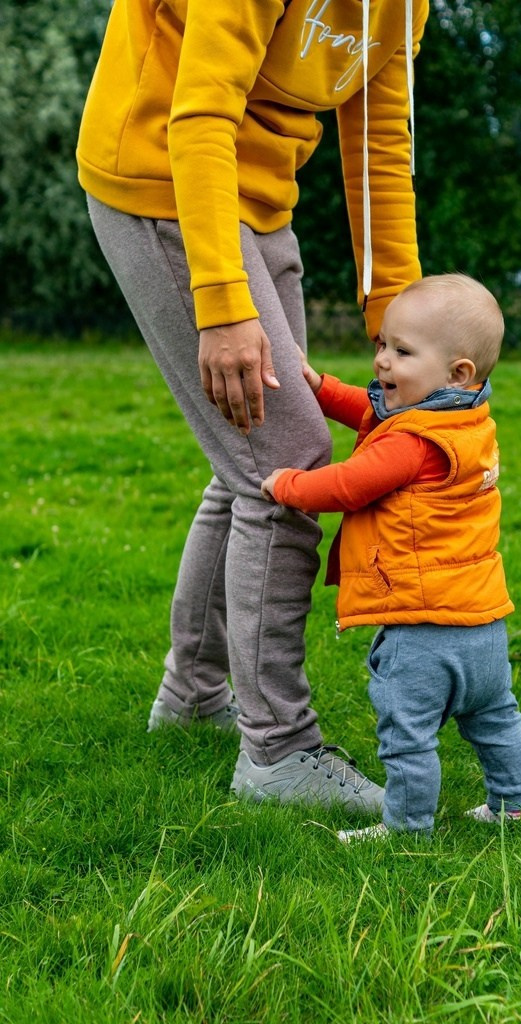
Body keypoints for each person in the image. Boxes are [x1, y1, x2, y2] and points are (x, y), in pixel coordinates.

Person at [77, 0, 430, 813]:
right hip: (165, 179)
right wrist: (222, 302)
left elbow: (380, 142)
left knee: (247, 457)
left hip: (261, 198)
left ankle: (193, 696)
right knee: (284, 465)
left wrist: (400, 327)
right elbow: (198, 112)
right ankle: (277, 752)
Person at [260, 274, 521, 840]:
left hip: (421, 626)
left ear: (457, 372)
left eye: (401, 351)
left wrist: (286, 484)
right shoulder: (465, 421)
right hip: (482, 620)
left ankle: (407, 827)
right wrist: (321, 387)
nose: (382, 360)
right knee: (494, 716)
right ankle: (513, 806)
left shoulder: (410, 446)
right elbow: (375, 407)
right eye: (382, 344)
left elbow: (346, 486)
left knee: (407, 732)